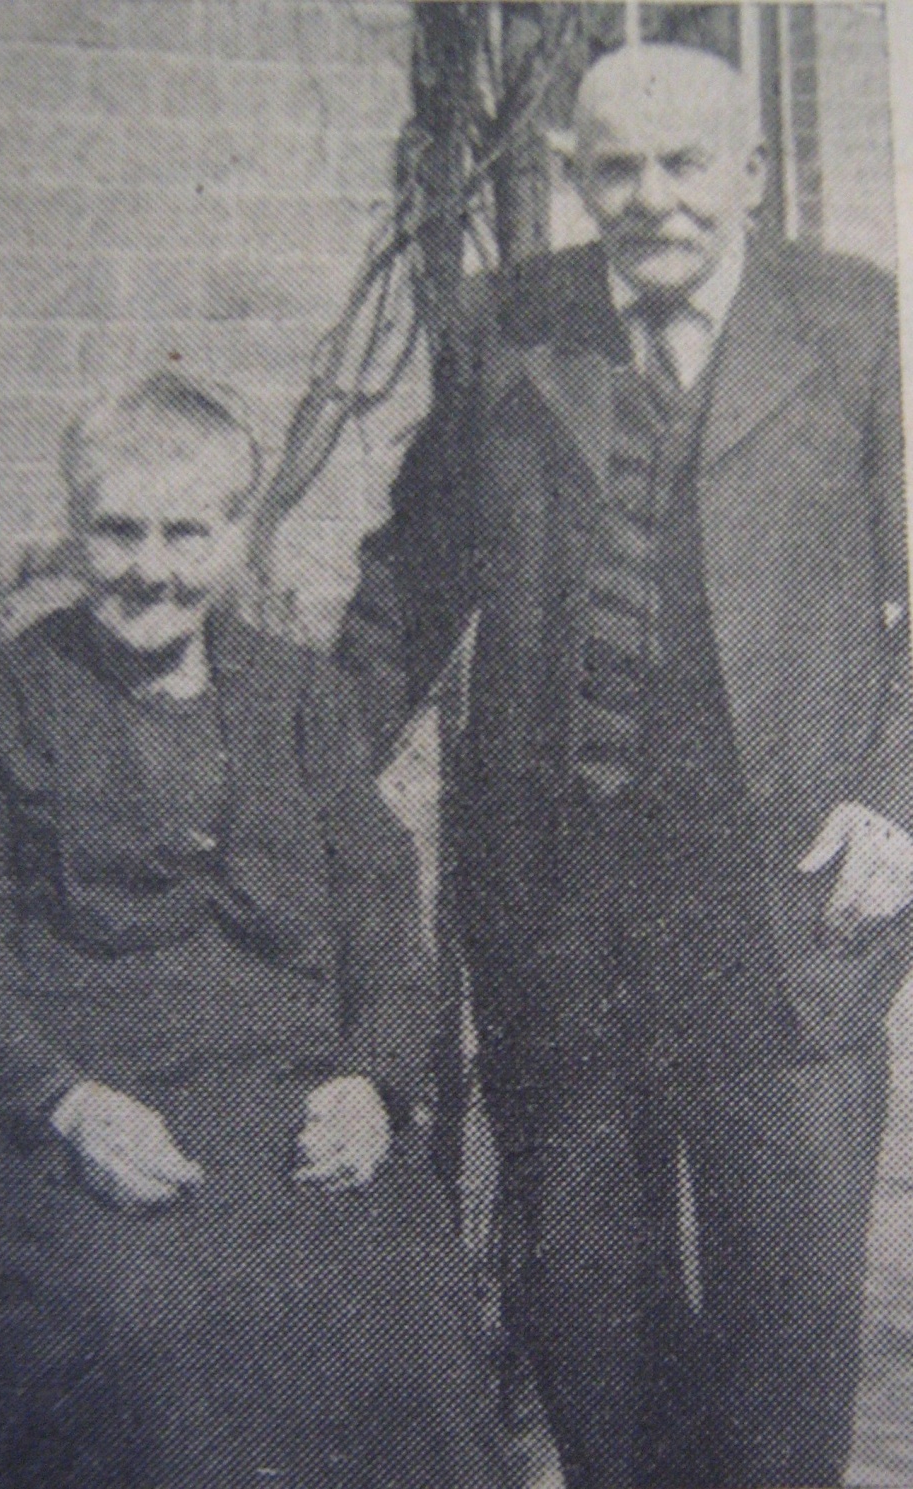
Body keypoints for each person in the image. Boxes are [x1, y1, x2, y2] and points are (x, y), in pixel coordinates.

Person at [337, 42, 913, 1489]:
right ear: (574, 180)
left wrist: (895, 798)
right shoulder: (508, 323)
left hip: (782, 904)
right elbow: (414, 576)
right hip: (563, 906)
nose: (651, 197)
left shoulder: (853, 321)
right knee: (591, 1306)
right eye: (615, 169)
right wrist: (298, 769)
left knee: (787, 1319)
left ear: (750, 175)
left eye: (683, 164)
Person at [0, 370, 501, 1489]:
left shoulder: (299, 697)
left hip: (294, 1106)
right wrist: (65, 1100)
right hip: (97, 1121)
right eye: (118, 531)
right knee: (148, 1318)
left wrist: (371, 1080)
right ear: (75, 529)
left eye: (186, 533)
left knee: (408, 1303)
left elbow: (380, 915)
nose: (151, 568)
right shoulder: (6, 698)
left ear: (234, 535)